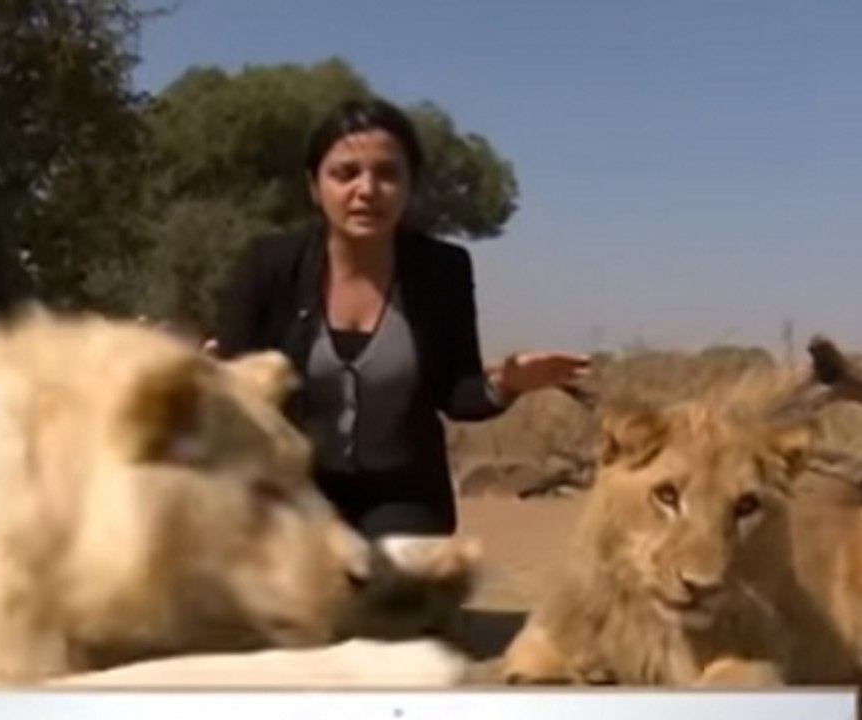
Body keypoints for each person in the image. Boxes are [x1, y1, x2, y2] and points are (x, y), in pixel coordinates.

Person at [212, 97, 590, 541]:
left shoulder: (443, 269)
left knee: (395, 589)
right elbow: (234, 381)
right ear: (315, 186)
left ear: (410, 187)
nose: (367, 190)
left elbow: (456, 393)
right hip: (291, 488)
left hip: (404, 495)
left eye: (388, 174)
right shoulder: (270, 263)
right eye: (345, 173)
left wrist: (507, 383)